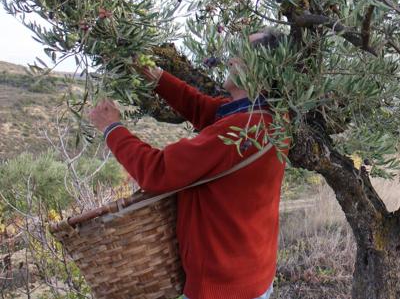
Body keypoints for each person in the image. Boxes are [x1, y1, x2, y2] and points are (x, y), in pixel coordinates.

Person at [88, 29, 287, 299]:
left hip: (221, 290)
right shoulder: (272, 116)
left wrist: (112, 128)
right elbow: (205, 109)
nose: (229, 60)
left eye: (240, 56)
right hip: (255, 275)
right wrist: (156, 77)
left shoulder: (241, 128)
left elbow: (156, 172)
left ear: (259, 69)